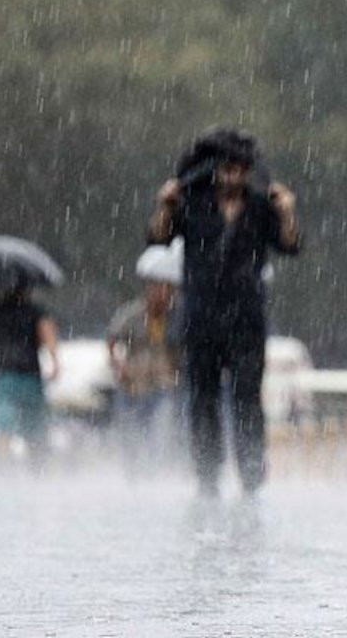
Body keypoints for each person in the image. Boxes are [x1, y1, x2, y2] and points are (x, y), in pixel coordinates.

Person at [148, 127, 301, 498]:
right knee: (202, 399)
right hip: (201, 317)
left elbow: (291, 245)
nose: (233, 176)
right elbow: (157, 238)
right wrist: (165, 205)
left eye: (240, 168)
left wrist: (288, 213)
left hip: (247, 318)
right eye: (227, 168)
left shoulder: (262, 206)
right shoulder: (190, 202)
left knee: (248, 397)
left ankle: (251, 474)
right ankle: (207, 475)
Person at [106, 278, 181, 478]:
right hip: (132, 385)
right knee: (130, 438)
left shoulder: (177, 318)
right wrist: (118, 364)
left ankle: (153, 477)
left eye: (167, 292)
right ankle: (134, 478)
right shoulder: (132, 314)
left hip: (163, 385)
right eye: (158, 290)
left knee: (160, 437)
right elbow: (112, 337)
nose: (162, 296)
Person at [0, 284, 60, 468]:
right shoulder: (35, 310)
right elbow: (47, 333)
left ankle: (3, 470)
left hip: (4, 376)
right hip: (30, 375)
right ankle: (36, 470)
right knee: (34, 429)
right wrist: (55, 361)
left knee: (3, 429)